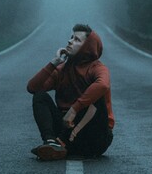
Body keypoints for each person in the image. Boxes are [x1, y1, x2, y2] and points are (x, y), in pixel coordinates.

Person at [27, 24, 114, 161]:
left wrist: (74, 109)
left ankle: (61, 143)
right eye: (71, 37)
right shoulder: (62, 69)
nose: (70, 41)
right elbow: (32, 88)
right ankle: (51, 142)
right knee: (40, 96)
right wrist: (53, 63)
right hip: (65, 129)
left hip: (93, 139)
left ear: (87, 47)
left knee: (97, 97)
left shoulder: (97, 68)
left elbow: (102, 85)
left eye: (77, 40)